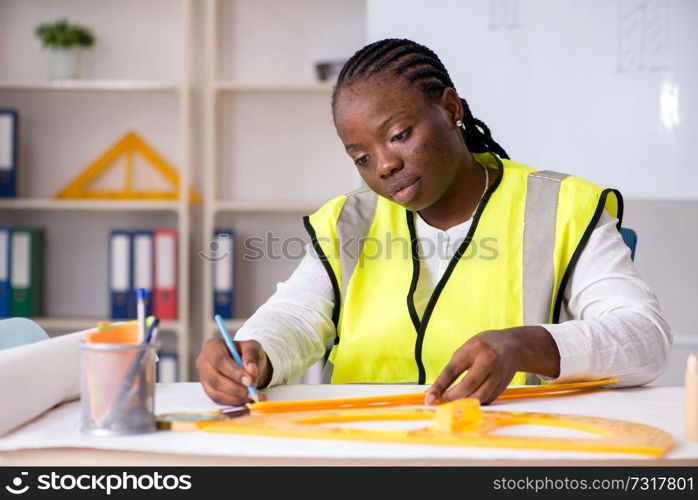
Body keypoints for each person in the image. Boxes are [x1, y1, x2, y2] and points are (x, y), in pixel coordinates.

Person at [196, 38, 671, 407]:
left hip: (507, 450)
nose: (383, 165)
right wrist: (252, 354)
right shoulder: (351, 221)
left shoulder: (563, 206)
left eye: (399, 135)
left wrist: (529, 345)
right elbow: (298, 316)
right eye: (361, 156)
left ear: (449, 109)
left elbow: (645, 338)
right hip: (364, 451)